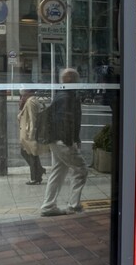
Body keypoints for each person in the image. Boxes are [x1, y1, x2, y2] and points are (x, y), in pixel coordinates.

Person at [40, 68, 88, 217]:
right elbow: (65, 121)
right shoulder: (67, 97)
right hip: (63, 141)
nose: (79, 82)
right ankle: (74, 205)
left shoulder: (62, 94)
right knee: (81, 169)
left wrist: (75, 138)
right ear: (72, 80)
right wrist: (70, 141)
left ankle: (48, 206)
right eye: (77, 79)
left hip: (55, 139)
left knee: (58, 171)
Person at [18, 89, 48, 185]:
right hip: (28, 133)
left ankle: (35, 177)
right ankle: (39, 171)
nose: (21, 96)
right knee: (30, 154)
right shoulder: (30, 100)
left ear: (28, 92)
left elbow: (32, 119)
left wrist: (31, 134)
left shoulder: (30, 102)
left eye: (23, 94)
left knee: (31, 154)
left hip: (29, 134)